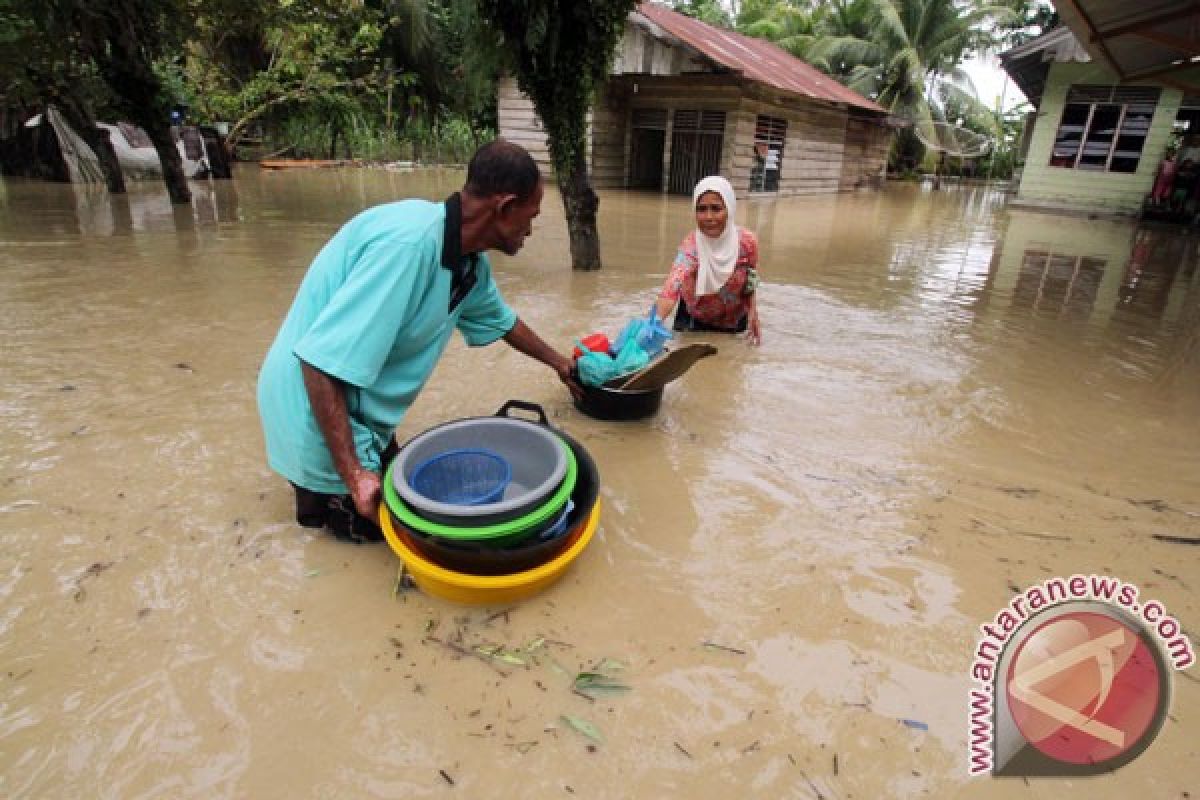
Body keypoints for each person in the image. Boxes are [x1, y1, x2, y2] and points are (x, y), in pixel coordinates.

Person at [256, 139, 580, 543]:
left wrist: (562, 365)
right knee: (370, 542)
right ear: (504, 207)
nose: (531, 230)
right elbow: (319, 365)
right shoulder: (407, 246)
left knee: (407, 508)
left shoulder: (467, 264)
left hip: (358, 407)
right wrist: (355, 476)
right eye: (530, 217)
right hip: (312, 405)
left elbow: (504, 323)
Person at [654, 176, 762, 345]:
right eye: (701, 209)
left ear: (730, 209)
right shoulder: (691, 247)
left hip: (734, 320)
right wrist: (651, 324)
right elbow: (671, 289)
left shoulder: (748, 243)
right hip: (694, 320)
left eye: (716, 208)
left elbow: (751, 279)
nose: (708, 217)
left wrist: (753, 313)